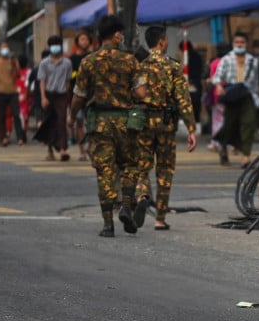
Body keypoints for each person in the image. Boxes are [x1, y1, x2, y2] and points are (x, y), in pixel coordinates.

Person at [69, 14, 145, 237]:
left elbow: (78, 96)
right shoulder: (130, 60)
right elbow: (141, 92)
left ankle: (108, 224)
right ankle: (126, 204)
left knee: (104, 171)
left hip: (99, 124)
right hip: (125, 122)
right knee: (130, 165)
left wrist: (72, 117)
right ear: (117, 34)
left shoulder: (88, 61)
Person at [133, 26, 197, 231]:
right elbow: (183, 99)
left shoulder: (139, 66)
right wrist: (191, 128)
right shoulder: (172, 66)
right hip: (166, 123)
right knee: (165, 170)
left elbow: (134, 93)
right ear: (162, 41)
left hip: (143, 121)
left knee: (143, 165)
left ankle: (142, 194)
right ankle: (160, 218)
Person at [212, 32, 259, 168]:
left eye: (242, 42)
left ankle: (246, 156)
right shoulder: (226, 59)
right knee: (229, 125)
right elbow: (217, 77)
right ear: (233, 44)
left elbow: (256, 81)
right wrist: (218, 86)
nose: (239, 45)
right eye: (237, 42)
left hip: (247, 95)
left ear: (246, 44)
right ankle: (223, 149)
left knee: (248, 124)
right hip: (232, 96)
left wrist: (256, 96)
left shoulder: (253, 60)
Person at [36, 35, 72, 161]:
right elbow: (42, 81)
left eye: (57, 45)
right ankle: (50, 150)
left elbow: (68, 81)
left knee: (61, 122)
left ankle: (63, 149)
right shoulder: (44, 63)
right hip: (49, 94)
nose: (55, 47)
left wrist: (67, 96)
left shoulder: (67, 63)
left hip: (61, 95)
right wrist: (43, 97)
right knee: (49, 122)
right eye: (53, 45)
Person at [68, 31, 94, 161]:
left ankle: (91, 147)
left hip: (91, 96)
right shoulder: (72, 59)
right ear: (77, 42)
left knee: (91, 123)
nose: (84, 41)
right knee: (79, 123)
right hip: (77, 95)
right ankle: (82, 151)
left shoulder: (93, 57)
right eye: (81, 39)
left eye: (86, 39)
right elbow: (69, 79)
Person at [178, 40, 204, 127]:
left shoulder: (190, 58)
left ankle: (194, 122)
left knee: (193, 103)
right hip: (193, 82)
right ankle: (195, 121)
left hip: (193, 82)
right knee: (194, 103)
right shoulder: (193, 57)